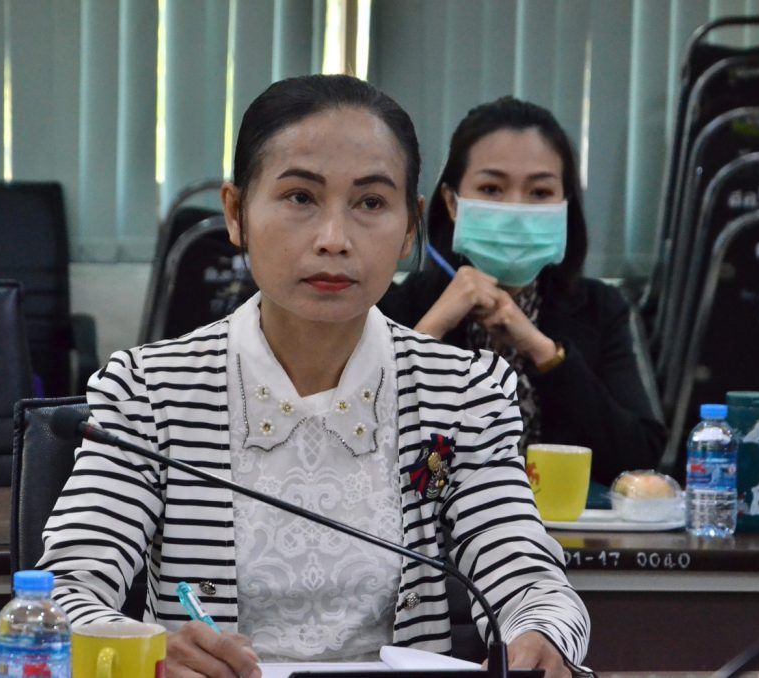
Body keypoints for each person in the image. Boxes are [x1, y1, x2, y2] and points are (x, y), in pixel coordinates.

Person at [38, 76, 590, 678]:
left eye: (371, 203)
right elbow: (60, 596)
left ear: (411, 227)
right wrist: (146, 651)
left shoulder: (464, 393)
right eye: (300, 197)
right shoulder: (148, 391)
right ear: (236, 213)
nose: (334, 240)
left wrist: (541, 634)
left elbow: (528, 578)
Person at [379, 97, 665, 486]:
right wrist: (432, 329)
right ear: (452, 202)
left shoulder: (600, 308)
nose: (515, 209)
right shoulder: (398, 304)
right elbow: (361, 442)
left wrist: (542, 351)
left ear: (564, 205)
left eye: (540, 193)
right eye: (492, 188)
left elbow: (639, 461)